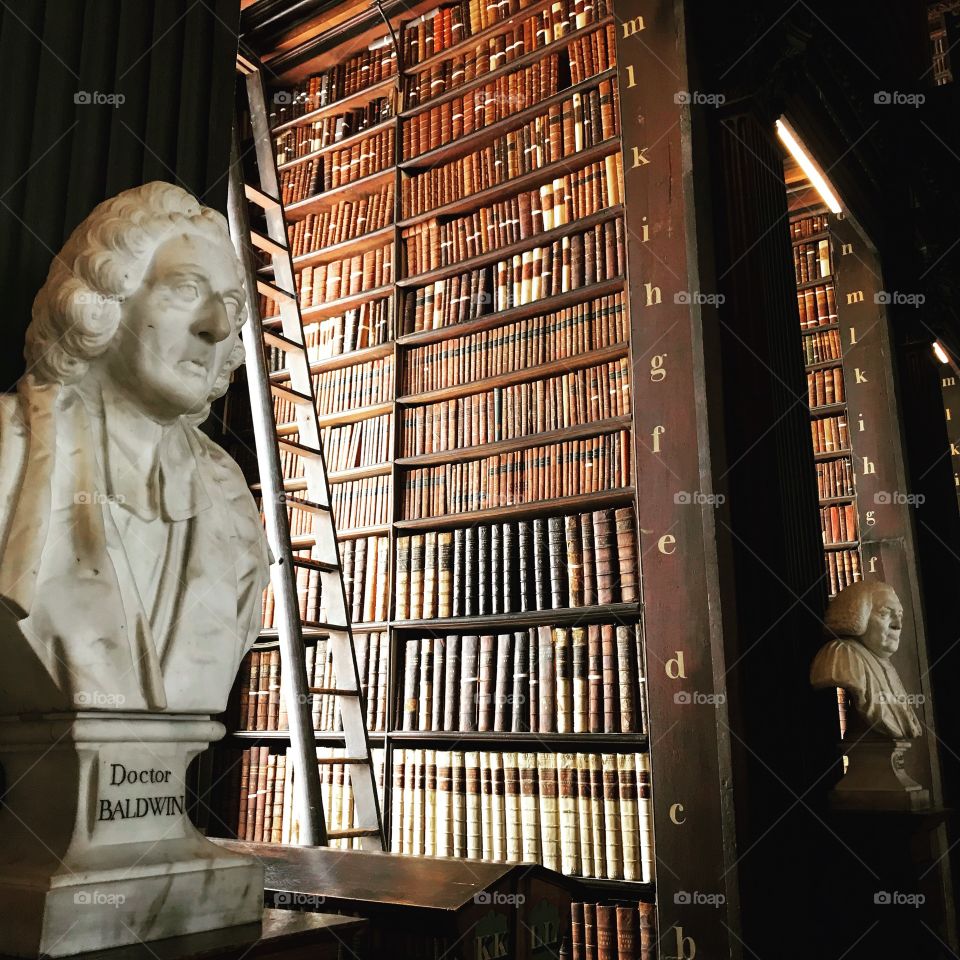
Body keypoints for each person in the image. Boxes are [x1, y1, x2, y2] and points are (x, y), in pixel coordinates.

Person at [0, 181, 269, 714]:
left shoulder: (228, 496)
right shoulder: (8, 452)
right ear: (104, 305)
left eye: (231, 305)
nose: (217, 328)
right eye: (187, 290)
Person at [810, 580, 922, 740]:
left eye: (899, 615)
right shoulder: (841, 654)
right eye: (885, 613)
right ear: (858, 617)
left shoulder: (886, 665)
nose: (898, 625)